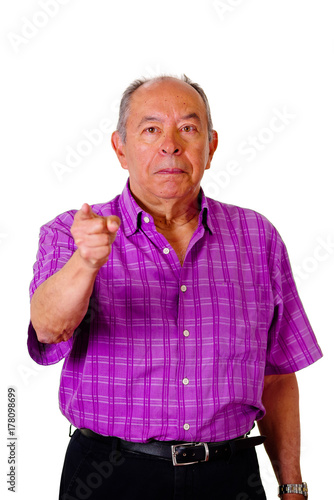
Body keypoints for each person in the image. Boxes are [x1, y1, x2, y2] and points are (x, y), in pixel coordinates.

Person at [28, 74, 322, 500]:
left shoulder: (258, 238)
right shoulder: (71, 234)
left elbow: (276, 376)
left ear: (211, 146)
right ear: (120, 148)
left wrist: (292, 484)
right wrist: (87, 262)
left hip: (230, 476)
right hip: (110, 476)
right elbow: (47, 328)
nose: (170, 145)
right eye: (151, 130)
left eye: (188, 128)